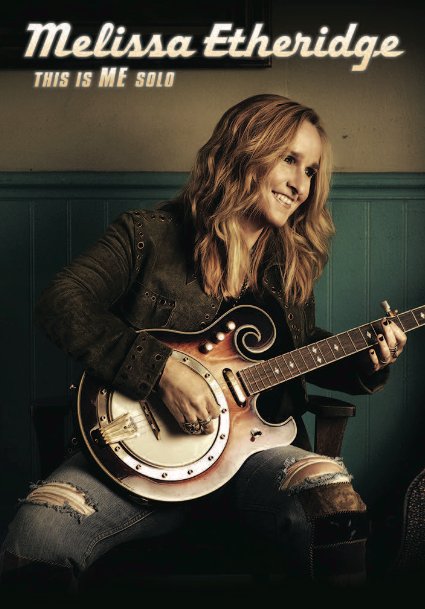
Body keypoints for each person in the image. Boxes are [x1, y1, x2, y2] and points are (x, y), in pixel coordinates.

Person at [0, 94, 406, 596]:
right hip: (134, 466)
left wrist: (367, 360)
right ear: (243, 152)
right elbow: (61, 302)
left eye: (311, 170)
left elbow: (294, 355)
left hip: (254, 463)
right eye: (289, 159)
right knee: (37, 538)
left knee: (334, 508)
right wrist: (159, 371)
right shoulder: (146, 236)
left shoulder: (288, 263)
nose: (301, 185)